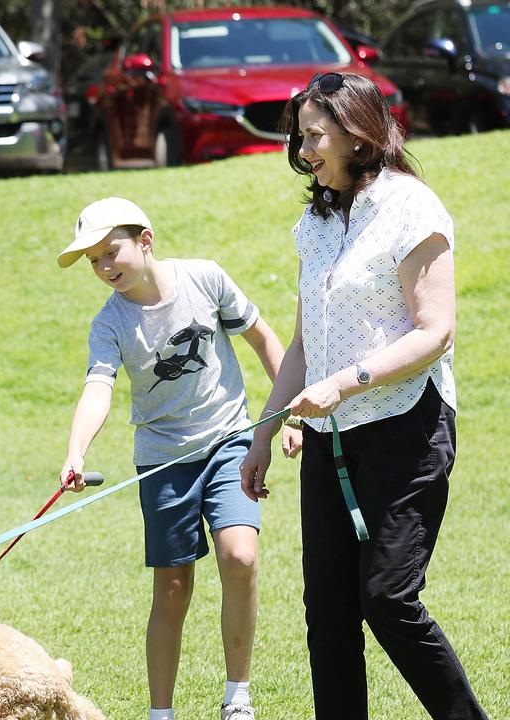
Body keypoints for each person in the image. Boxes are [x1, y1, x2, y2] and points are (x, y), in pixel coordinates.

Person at [240, 72, 487, 720]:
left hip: (407, 426)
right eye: (300, 139)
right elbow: (302, 342)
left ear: (359, 131)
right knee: (327, 612)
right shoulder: (314, 222)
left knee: (387, 598)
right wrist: (264, 432)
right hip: (327, 436)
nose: (304, 151)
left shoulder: (412, 208)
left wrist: (345, 382)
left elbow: (435, 331)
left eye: (314, 135)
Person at [56, 197, 300, 720]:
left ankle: (238, 697)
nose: (104, 268)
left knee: (240, 556)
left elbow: (263, 339)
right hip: (164, 461)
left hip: (231, 440)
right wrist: (76, 451)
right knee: (171, 587)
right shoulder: (110, 323)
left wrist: (290, 416)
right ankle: (160, 713)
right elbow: (97, 389)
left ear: (145, 238)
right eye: (93, 261)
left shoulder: (204, 279)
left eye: (110, 252)